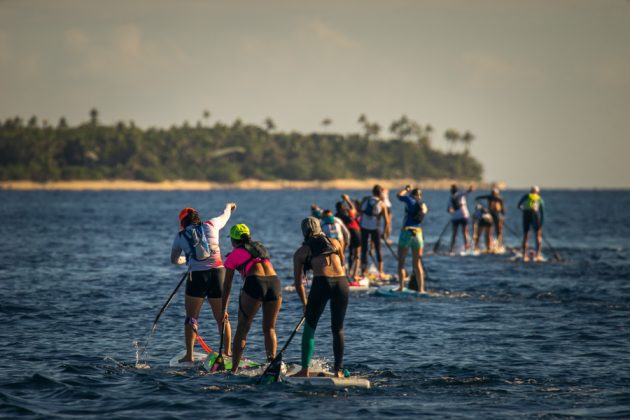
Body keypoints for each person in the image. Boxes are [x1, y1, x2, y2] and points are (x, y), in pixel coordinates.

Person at [170, 203, 236, 363]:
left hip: (197, 277)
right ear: (198, 218)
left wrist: (188, 258)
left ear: (183, 222)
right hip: (218, 274)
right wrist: (229, 207)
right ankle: (227, 353)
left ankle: (189, 355)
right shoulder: (212, 224)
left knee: (191, 318)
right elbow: (225, 215)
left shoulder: (180, 236)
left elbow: (174, 260)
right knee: (222, 317)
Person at [292, 217, 348, 378]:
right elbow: (342, 262)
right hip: (342, 283)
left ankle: (304, 371)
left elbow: (298, 284)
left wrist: (305, 304)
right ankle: (339, 371)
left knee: (310, 327)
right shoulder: (336, 242)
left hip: (322, 283)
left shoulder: (301, 252)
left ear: (304, 233)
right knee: (338, 328)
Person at [221, 224, 282, 373]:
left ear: (234, 240)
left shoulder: (233, 255)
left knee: (242, 329)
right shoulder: (261, 247)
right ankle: (271, 363)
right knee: (269, 328)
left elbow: (227, 285)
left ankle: (233, 370)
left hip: (255, 282)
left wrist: (223, 309)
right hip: (274, 283)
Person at [395, 186, 428, 293]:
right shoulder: (423, 205)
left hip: (407, 231)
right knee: (417, 263)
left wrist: (406, 189)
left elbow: (399, 195)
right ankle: (421, 289)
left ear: (413, 195)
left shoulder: (410, 200)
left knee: (401, 262)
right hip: (418, 233)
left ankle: (401, 287)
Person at [359, 185, 390, 278]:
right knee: (378, 250)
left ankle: (363, 271)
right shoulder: (382, 204)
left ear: (372, 192)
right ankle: (380, 272)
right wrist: (384, 233)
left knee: (364, 250)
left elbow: (359, 210)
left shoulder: (365, 199)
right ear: (380, 193)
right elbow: (387, 221)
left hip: (363, 227)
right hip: (375, 229)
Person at [337, 194, 362, 279]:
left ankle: (348, 273)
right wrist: (347, 199)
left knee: (351, 253)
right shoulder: (348, 212)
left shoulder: (336, 215)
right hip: (356, 233)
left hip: (347, 235)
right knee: (357, 255)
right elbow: (354, 208)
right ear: (343, 207)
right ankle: (355, 275)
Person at [517, 186, 545, 261]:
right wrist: (541, 224)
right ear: (538, 192)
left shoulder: (526, 196)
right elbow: (542, 213)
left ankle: (524, 256)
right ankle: (538, 255)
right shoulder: (539, 199)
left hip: (526, 215)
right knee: (538, 236)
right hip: (535, 216)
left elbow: (519, 206)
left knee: (526, 236)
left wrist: (524, 210)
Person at [475, 187, 506, 252]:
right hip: (490, 214)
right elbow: (479, 198)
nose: (493, 194)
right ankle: (487, 246)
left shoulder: (499, 199)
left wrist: (502, 217)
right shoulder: (490, 197)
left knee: (499, 231)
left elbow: (502, 209)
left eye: (494, 193)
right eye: (492, 193)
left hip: (497, 214)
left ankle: (499, 245)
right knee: (489, 232)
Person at [448, 184, 474, 254]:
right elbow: (449, 209)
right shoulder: (451, 198)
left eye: (452, 189)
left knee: (464, 232)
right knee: (455, 233)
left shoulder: (460, 194)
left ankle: (466, 248)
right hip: (456, 217)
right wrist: (451, 210)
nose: (451, 190)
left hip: (463, 216)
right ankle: (451, 249)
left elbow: (468, 191)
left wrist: (470, 189)